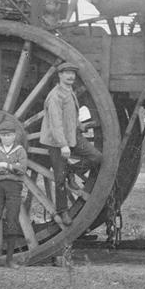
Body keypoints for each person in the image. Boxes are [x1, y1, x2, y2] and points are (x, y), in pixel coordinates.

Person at [40, 62, 103, 226]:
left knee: (96, 157)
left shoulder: (69, 92)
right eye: (67, 73)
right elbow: (55, 124)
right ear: (59, 75)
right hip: (56, 141)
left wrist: (78, 125)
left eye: (72, 74)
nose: (70, 76)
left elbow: (70, 115)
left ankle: (71, 170)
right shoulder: (55, 96)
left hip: (72, 135)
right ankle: (63, 211)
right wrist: (63, 145)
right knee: (59, 178)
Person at [0, 120, 28, 268]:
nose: (6, 138)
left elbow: (22, 169)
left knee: (12, 219)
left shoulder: (20, 150)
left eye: (9, 135)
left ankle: (9, 259)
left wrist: (5, 165)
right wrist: (11, 169)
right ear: (0, 137)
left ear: (14, 136)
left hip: (14, 187)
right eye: (3, 135)